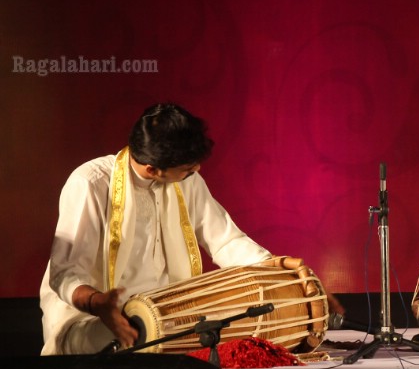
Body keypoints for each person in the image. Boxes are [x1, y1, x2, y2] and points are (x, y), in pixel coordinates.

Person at [42, 104, 281, 355]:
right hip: (93, 319)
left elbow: (224, 240)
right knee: (139, 333)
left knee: (231, 324)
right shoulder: (91, 183)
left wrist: (275, 266)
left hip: (165, 316)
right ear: (152, 170)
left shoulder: (188, 182)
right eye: (188, 170)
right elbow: (67, 273)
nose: (196, 172)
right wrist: (98, 303)